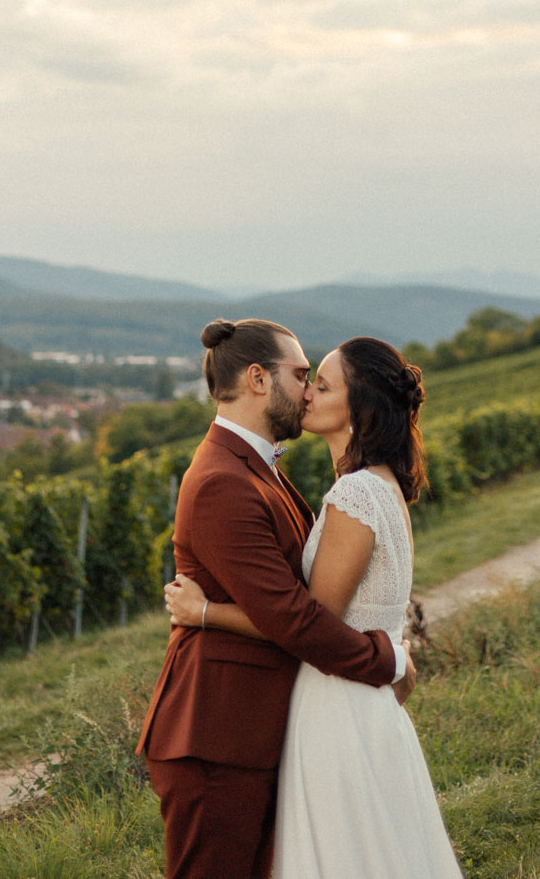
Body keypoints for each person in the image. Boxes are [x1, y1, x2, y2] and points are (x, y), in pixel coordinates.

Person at [165, 335, 464, 879]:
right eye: (304, 376)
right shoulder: (360, 486)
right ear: (257, 378)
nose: (306, 394)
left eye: (319, 383)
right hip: (272, 715)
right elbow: (300, 616)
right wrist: (389, 660)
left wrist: (206, 612)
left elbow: (306, 618)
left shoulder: (354, 493)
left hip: (338, 704)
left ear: (359, 407)